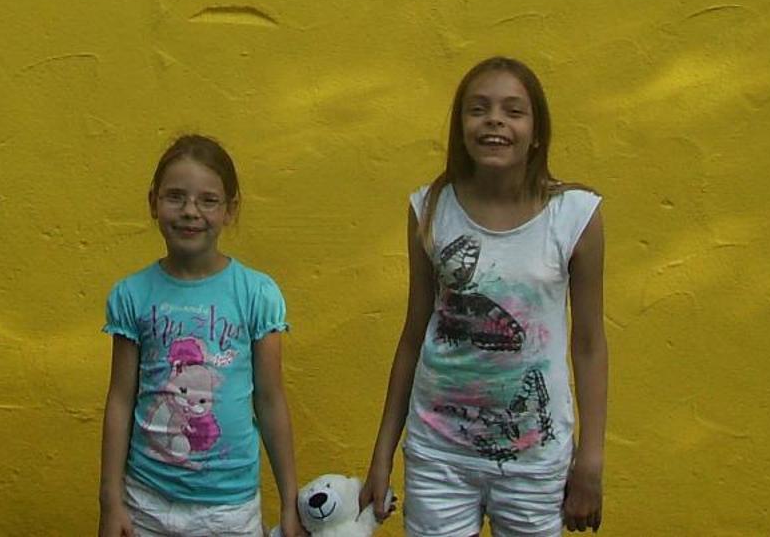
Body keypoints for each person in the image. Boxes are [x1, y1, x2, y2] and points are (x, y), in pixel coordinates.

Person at [365, 57, 608, 536]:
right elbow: (414, 335)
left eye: (513, 111)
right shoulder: (430, 209)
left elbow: (590, 345)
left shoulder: (574, 217)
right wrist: (382, 454)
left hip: (534, 458)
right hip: (440, 455)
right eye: (479, 109)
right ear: (461, 126)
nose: (495, 119)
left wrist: (591, 459)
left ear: (536, 132)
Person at [100, 134, 306, 537]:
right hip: (145, 502)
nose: (190, 212)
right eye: (175, 197)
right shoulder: (131, 295)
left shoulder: (257, 294)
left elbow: (270, 399)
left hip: (228, 510)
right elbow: (121, 400)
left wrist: (290, 501)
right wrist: (110, 500)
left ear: (230, 210)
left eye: (208, 200)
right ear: (152, 202)